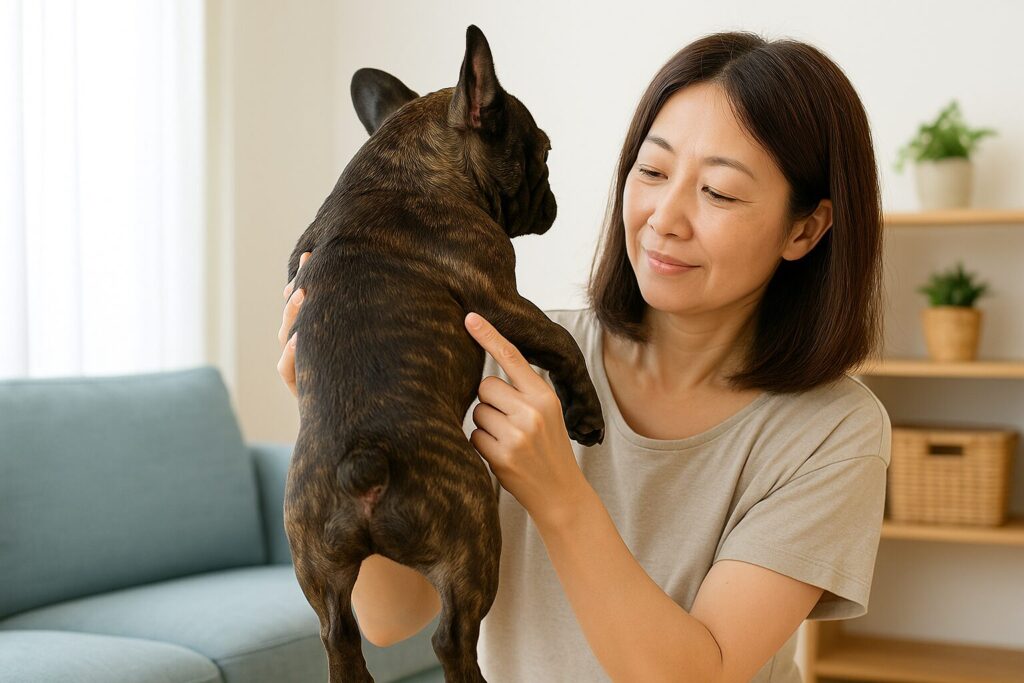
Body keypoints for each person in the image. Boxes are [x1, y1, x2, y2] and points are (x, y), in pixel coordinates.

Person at [277, 30, 890, 683]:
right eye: (651, 172)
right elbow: (393, 615)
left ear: (805, 228)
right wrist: (334, 416)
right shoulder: (502, 350)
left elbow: (699, 673)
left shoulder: (832, 432)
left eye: (718, 192)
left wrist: (560, 495)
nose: (664, 218)